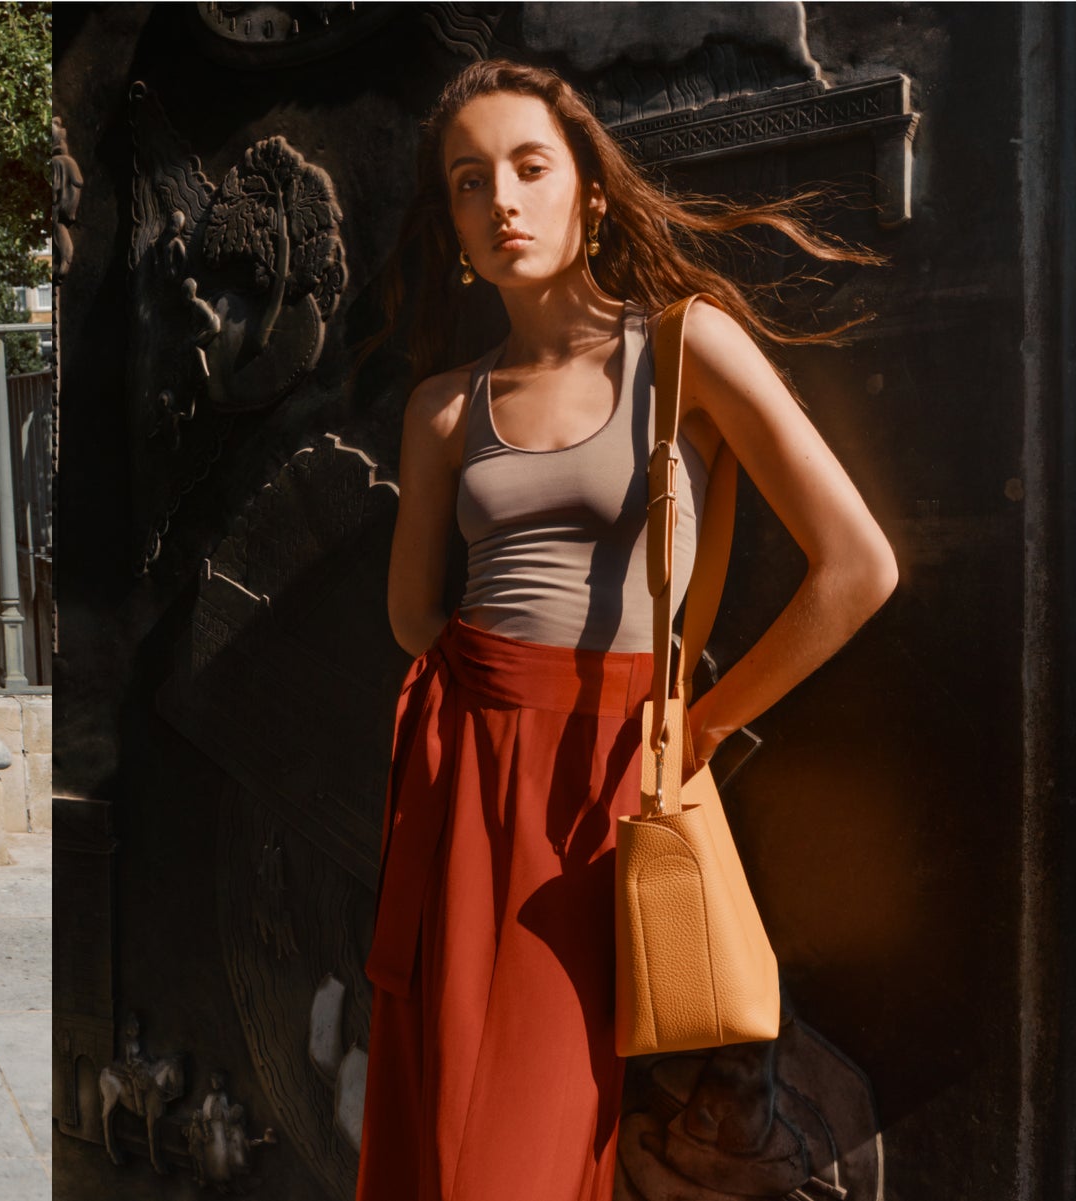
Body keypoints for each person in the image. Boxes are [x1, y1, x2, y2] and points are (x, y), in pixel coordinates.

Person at [356, 61, 898, 1199]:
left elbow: (855, 567)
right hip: (463, 782)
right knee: (443, 1121)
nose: (498, 198)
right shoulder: (443, 408)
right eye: (466, 181)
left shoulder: (682, 347)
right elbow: (414, 619)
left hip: (606, 784)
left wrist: (697, 726)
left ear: (587, 195)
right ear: (451, 222)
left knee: (530, 1141)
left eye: (527, 165)